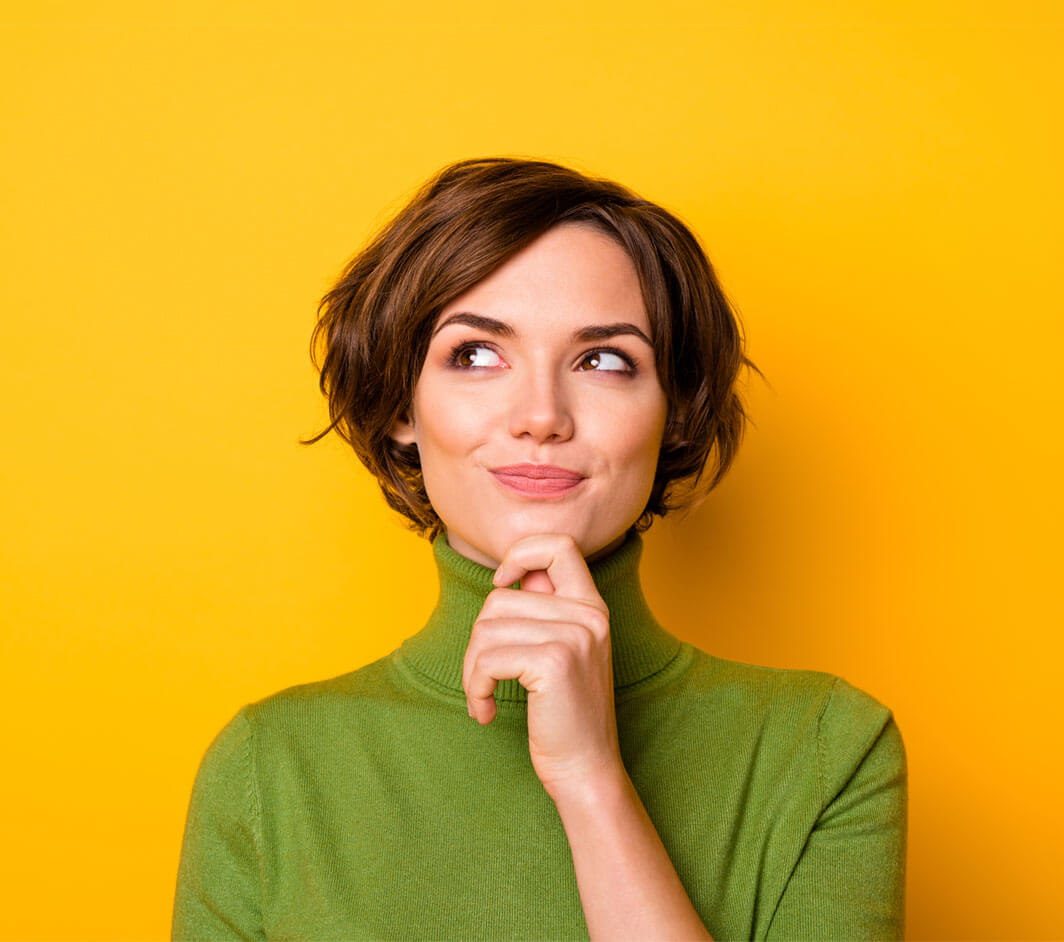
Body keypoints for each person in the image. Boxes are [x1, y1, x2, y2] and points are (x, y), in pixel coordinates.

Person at [171, 156, 908, 941]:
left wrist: (592, 782)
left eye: (603, 360)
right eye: (477, 354)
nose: (542, 415)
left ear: (674, 415)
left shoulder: (827, 751)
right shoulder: (270, 769)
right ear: (401, 405)